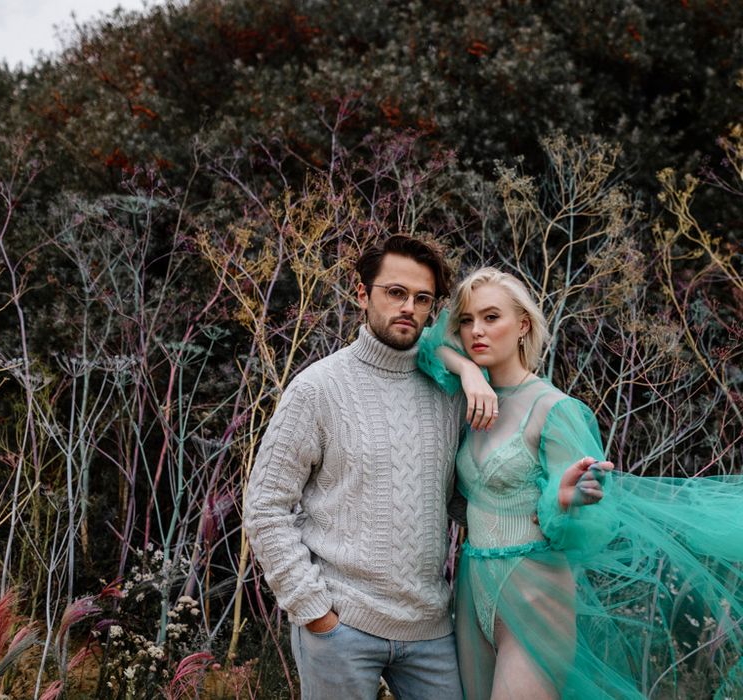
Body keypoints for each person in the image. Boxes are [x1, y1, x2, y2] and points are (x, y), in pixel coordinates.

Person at [417, 266, 743, 699]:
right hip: (473, 586)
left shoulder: (557, 408)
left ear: (523, 325)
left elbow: (589, 524)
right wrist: (468, 371)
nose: (477, 330)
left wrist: (564, 500)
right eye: (467, 320)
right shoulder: (473, 398)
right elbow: (423, 345)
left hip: (534, 589)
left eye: (491, 317)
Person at [244, 234, 487, 700]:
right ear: (362, 294)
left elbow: (458, 500)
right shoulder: (318, 388)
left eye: (422, 298)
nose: (408, 308)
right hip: (341, 626)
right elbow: (265, 506)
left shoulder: (448, 393)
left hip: (432, 629)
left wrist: (537, 511)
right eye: (395, 292)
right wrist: (315, 610)